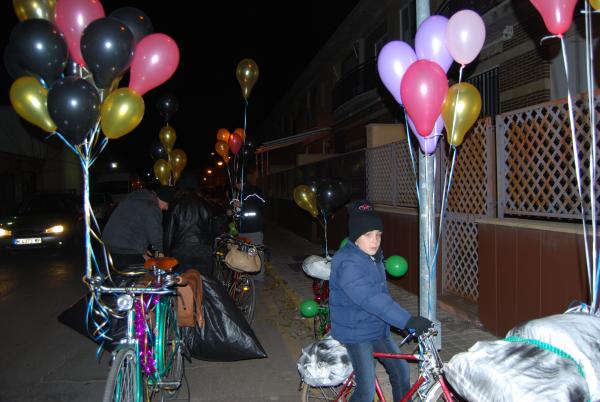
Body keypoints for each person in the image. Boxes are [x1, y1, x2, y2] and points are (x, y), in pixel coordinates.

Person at [329, 200, 433, 402]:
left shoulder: (374, 257)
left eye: (378, 235)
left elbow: (382, 296)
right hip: (356, 333)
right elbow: (371, 298)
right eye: (368, 235)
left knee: (401, 371)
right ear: (355, 236)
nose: (374, 241)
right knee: (366, 392)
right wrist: (407, 320)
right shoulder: (347, 262)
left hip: (376, 327)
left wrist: (400, 322)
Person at [101, 185, 175, 270]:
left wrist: (141, 249)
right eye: (167, 204)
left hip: (107, 247)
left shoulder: (135, 199)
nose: (166, 208)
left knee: (117, 277)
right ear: (163, 200)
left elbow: (129, 227)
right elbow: (156, 238)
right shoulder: (152, 208)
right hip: (124, 251)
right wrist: (171, 254)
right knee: (142, 277)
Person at [164, 173, 214, 276]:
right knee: (204, 283)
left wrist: (167, 254)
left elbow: (169, 231)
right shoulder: (205, 204)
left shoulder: (175, 204)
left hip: (181, 250)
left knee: (182, 285)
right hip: (203, 250)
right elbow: (211, 230)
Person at [234, 169, 266, 279]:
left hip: (254, 228)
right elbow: (240, 212)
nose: (235, 185)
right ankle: (248, 276)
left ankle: (259, 276)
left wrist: (242, 205)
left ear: (241, 182)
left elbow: (261, 204)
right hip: (243, 230)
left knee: (256, 253)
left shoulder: (253, 191)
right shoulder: (239, 194)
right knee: (246, 254)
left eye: (236, 183)